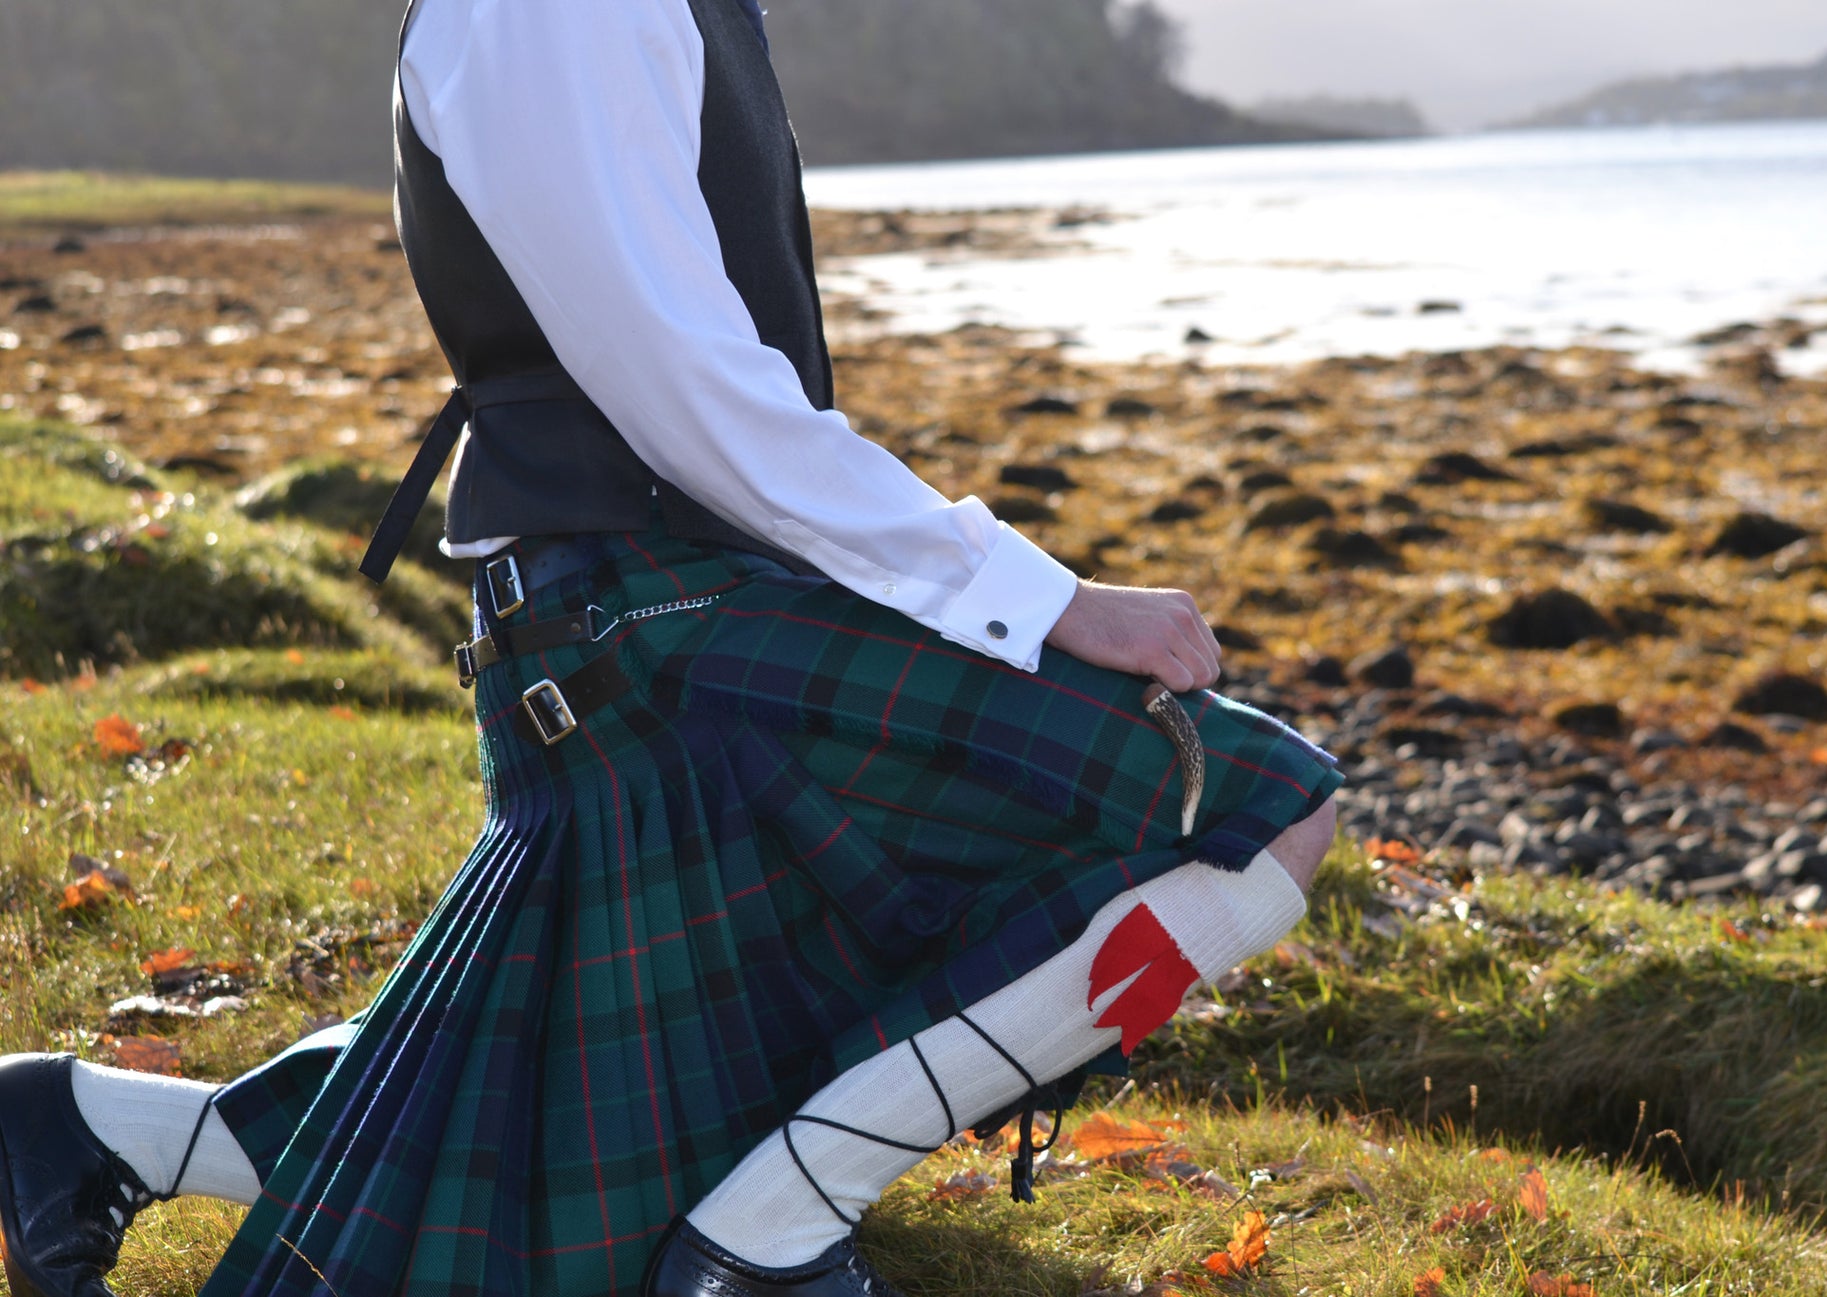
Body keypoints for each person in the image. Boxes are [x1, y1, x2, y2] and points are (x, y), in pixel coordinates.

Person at [0, 1, 1344, 1295]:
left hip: (641, 604)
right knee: (1244, 805)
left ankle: (87, 1130)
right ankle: (758, 1242)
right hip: (637, 625)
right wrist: (1033, 595)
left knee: (543, 1085)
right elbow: (685, 383)